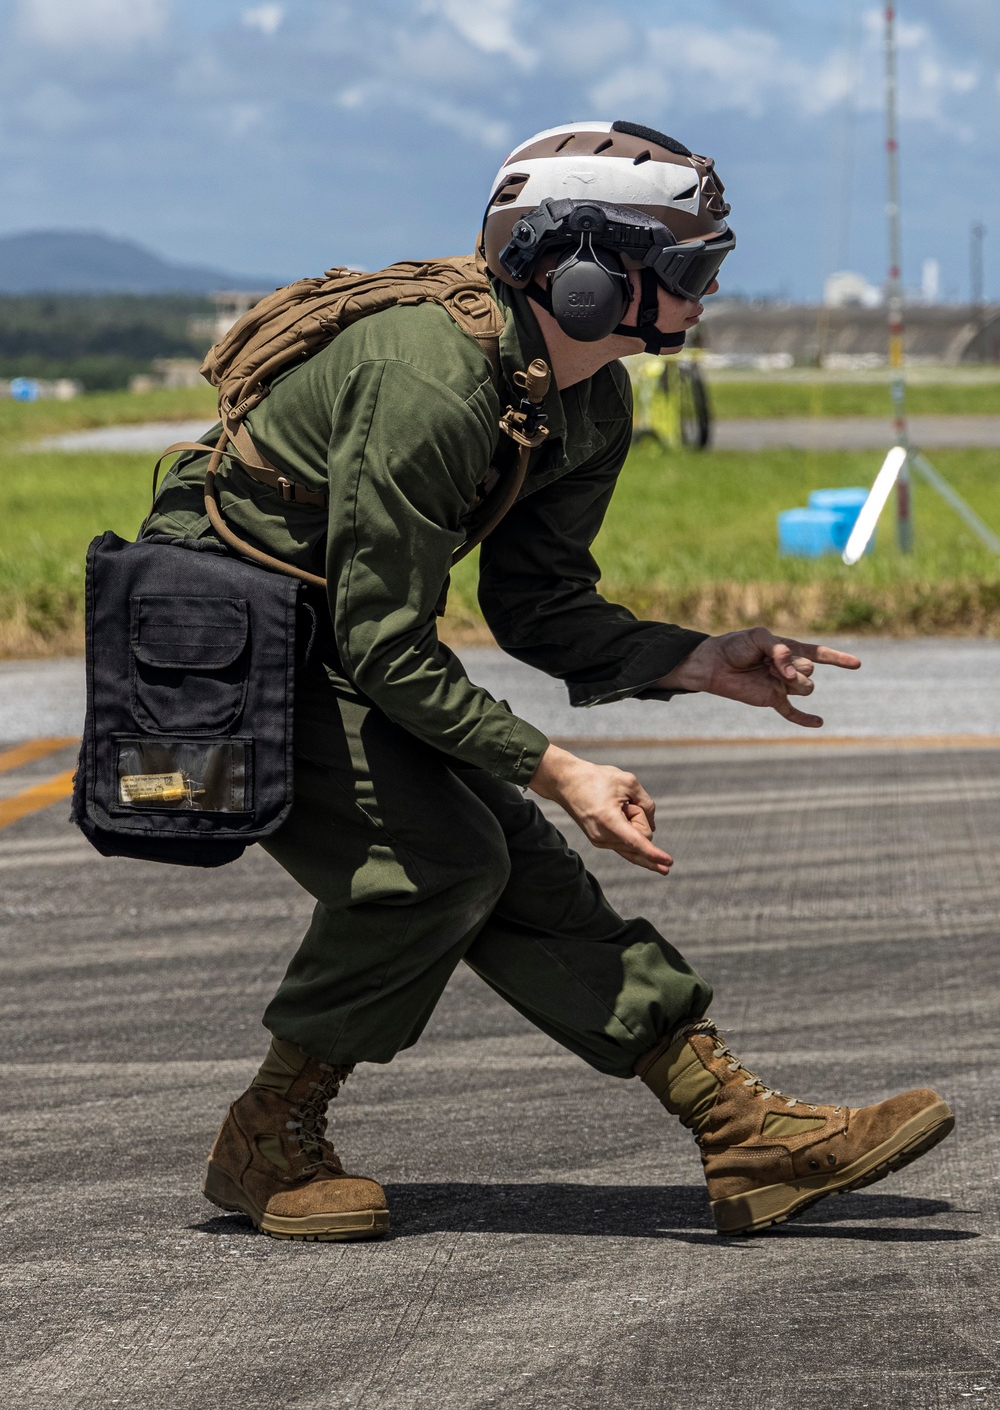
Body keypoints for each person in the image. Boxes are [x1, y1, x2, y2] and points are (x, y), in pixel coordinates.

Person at [144, 119, 953, 1240]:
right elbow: (386, 644)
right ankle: (266, 1138)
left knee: (510, 855)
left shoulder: (585, 397)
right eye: (689, 267)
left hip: (331, 626)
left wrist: (695, 656)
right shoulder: (426, 377)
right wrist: (556, 764)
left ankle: (741, 1131)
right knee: (440, 857)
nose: (706, 292)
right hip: (222, 633)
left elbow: (537, 605)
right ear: (582, 270)